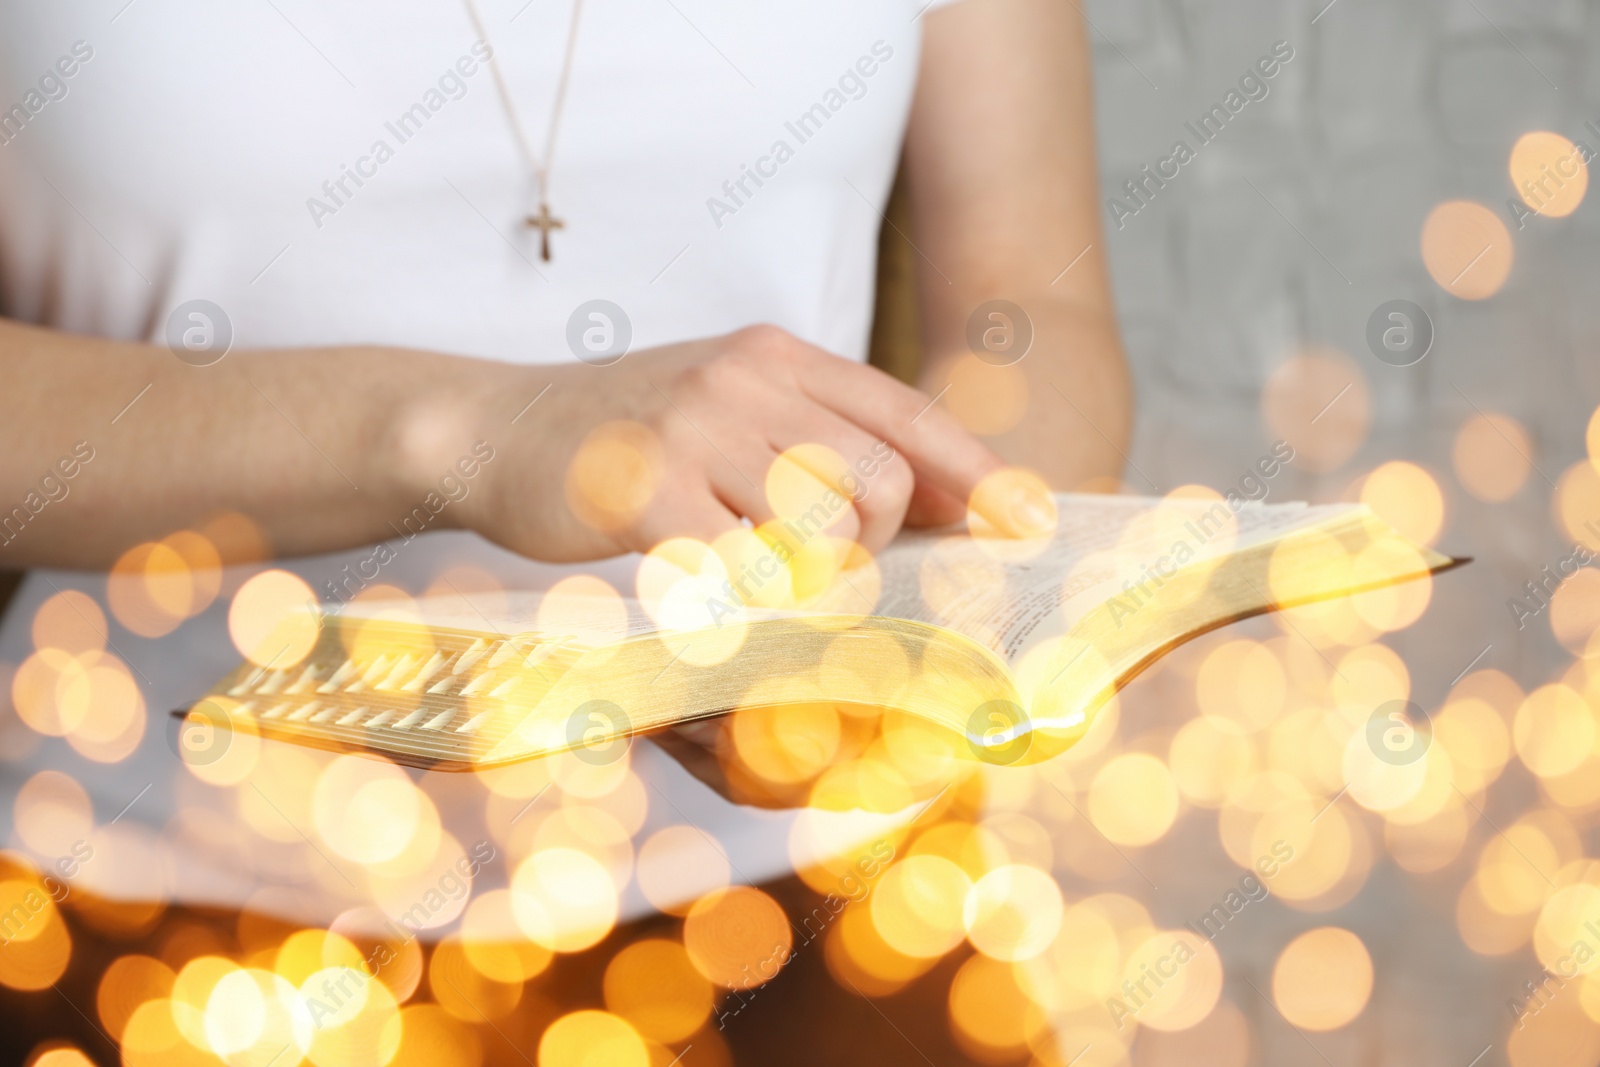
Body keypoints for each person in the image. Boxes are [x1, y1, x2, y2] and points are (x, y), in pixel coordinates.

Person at [0, 0, 1127, 1060]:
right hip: (142, 913)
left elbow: (1034, 305)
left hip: (836, 916)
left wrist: (927, 617)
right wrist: (474, 429)